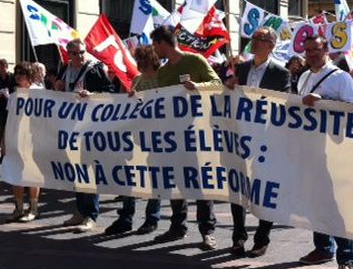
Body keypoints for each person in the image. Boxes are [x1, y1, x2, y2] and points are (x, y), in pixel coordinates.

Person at [150, 26, 222, 251]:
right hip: (173, 136)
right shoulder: (163, 72)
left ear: (163, 43)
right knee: (177, 182)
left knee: (200, 184)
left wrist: (197, 87)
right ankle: (177, 227)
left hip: (197, 134)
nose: (154, 50)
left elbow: (217, 85)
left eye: (155, 45)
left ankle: (207, 231)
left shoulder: (195, 61)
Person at [296, 35, 353, 269]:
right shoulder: (303, 77)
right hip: (310, 148)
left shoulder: (340, 77)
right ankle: (323, 247)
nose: (311, 53)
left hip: (335, 150)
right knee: (316, 200)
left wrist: (325, 103)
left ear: (327, 51)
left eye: (317, 49)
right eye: (308, 50)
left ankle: (347, 259)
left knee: (338, 204)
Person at [225, 26, 290, 257]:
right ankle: (238, 236)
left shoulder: (280, 73)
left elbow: (282, 104)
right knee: (238, 187)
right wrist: (229, 86)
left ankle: (262, 238)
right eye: (252, 37)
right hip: (239, 139)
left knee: (265, 190)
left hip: (265, 141)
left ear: (271, 45)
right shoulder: (240, 68)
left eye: (259, 39)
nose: (253, 41)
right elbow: (227, 98)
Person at [104, 45, 162, 236]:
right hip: (136, 137)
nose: (141, 67)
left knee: (155, 178)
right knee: (130, 176)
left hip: (157, 137)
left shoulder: (163, 80)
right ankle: (126, 217)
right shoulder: (137, 80)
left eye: (144, 63)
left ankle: (151, 218)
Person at [58, 39, 114, 233]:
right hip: (70, 126)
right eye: (75, 53)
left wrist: (92, 94)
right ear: (68, 54)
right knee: (76, 170)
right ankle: (80, 211)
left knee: (88, 169)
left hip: (89, 126)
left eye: (82, 52)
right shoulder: (64, 70)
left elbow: (109, 91)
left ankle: (91, 214)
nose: (80, 56)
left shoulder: (95, 69)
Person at [9, 62, 43, 222]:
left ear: (29, 76)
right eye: (17, 73)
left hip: (33, 138)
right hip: (16, 138)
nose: (18, 76)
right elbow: (10, 119)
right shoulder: (14, 95)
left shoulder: (39, 92)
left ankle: (34, 208)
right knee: (15, 173)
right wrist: (4, 140)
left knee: (32, 173)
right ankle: (19, 207)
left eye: (22, 74)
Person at [0, 59, 15, 164]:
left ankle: (13, 155)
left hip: (12, 108)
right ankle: (3, 155)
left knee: (12, 132)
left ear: (5, 66)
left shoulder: (13, 78)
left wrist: (9, 96)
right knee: (2, 132)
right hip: (0, 108)